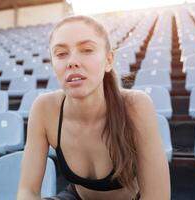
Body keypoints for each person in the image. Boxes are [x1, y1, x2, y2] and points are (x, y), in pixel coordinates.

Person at [17, 15, 170, 200]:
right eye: (61, 54)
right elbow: (28, 191)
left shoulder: (136, 106)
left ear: (108, 60)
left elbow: (157, 196)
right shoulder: (43, 108)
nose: (72, 61)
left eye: (87, 50)